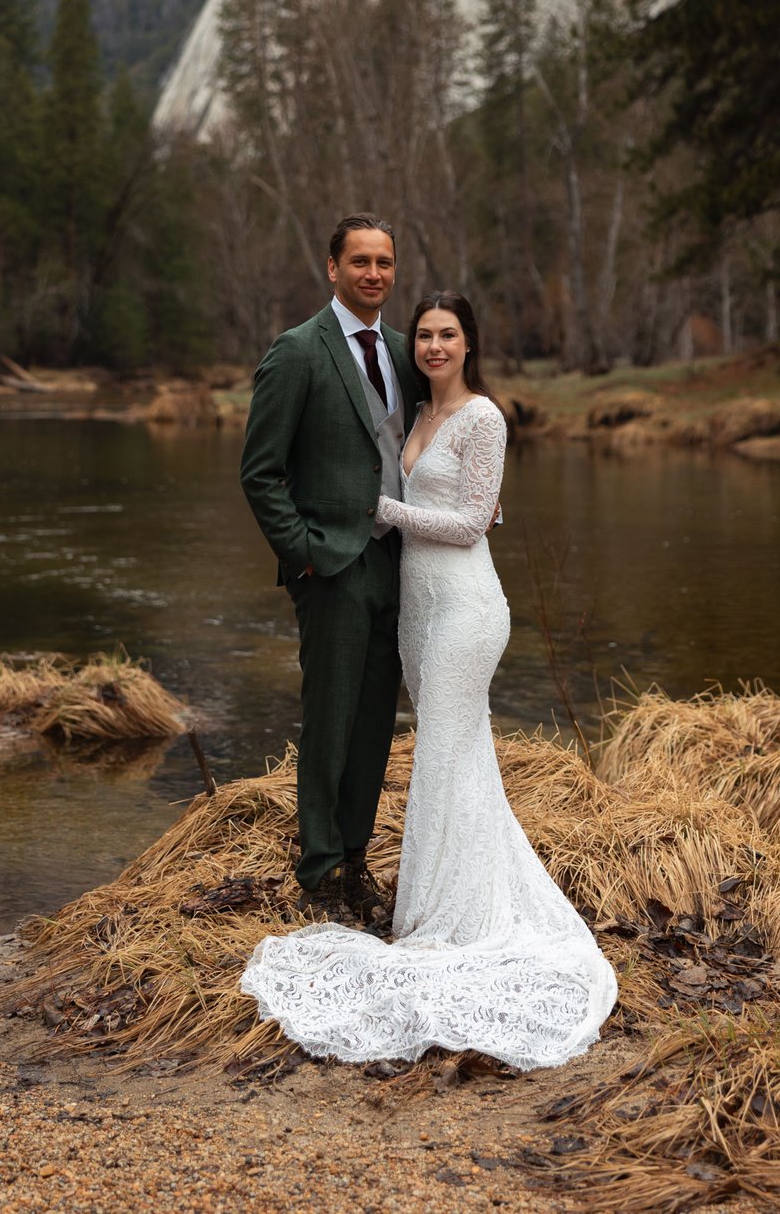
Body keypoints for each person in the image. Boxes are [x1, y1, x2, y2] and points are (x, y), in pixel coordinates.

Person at [241, 292, 618, 1070]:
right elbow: (281, 468)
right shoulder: (410, 403)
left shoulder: (482, 415)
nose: (435, 346)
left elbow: (472, 518)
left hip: (465, 607)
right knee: (449, 752)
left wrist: (377, 507)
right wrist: (320, 540)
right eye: (429, 336)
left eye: (449, 335)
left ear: (470, 343)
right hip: (412, 599)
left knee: (444, 749)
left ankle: (456, 916)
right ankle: (394, 888)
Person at [240, 214, 423, 921]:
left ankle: (354, 859)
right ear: (331, 267)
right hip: (332, 567)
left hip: (396, 561)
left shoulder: (408, 353)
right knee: (330, 720)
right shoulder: (296, 353)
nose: (373, 273)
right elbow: (261, 474)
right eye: (359, 261)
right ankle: (318, 872)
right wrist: (306, 554)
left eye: (384, 262)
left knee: (376, 721)